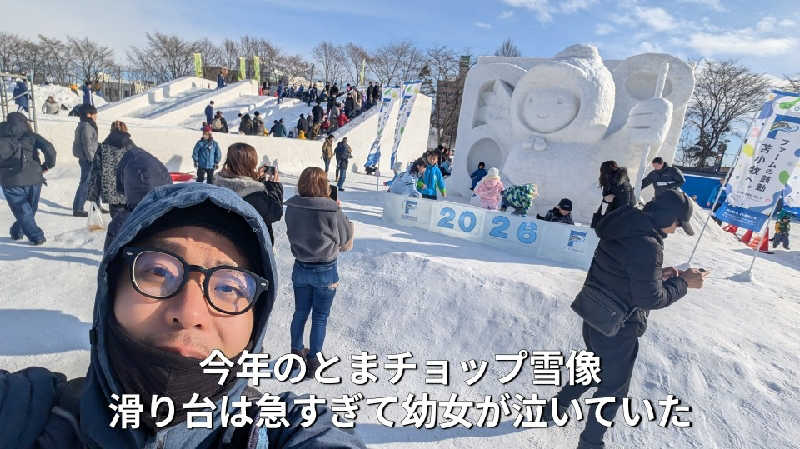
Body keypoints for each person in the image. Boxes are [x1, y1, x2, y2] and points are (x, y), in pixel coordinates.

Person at [0, 182, 367, 449]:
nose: (189, 313)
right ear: (110, 292)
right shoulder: (24, 412)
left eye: (229, 287)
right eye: (158, 272)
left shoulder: (283, 430)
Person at [544, 190, 707, 449]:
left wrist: (657, 275)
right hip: (617, 327)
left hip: (594, 313)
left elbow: (623, 270)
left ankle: (554, 408)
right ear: (668, 217)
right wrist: (683, 283)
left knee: (593, 367)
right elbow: (650, 299)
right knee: (612, 391)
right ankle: (590, 444)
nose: (676, 230)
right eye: (677, 223)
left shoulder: (627, 224)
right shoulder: (648, 243)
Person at [285, 167, 355, 377]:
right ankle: (314, 359)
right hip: (325, 269)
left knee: (300, 313)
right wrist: (339, 212)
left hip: (300, 266)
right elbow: (344, 239)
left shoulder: (292, 207)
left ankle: (296, 354)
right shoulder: (332, 209)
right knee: (320, 317)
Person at [0, 112, 56, 245]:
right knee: (29, 210)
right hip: (34, 177)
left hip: (10, 179)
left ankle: (17, 231)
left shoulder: (1, 134)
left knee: (23, 210)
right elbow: (49, 148)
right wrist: (47, 165)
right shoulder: (31, 135)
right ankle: (36, 236)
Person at [214, 143, 284, 246]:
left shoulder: (218, 184)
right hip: (250, 249)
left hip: (225, 242)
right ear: (251, 164)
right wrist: (275, 187)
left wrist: (256, 180)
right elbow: (274, 213)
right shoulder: (255, 195)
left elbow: (240, 184)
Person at [87, 121, 134, 223]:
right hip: (127, 188)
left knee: (116, 221)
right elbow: (138, 164)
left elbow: (96, 172)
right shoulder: (129, 145)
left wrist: (94, 193)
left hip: (110, 191)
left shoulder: (103, 146)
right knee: (128, 221)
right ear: (125, 129)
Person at [72, 104, 99, 217]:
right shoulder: (86, 127)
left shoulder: (86, 125)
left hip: (87, 158)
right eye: (95, 114)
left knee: (88, 183)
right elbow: (87, 145)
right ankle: (78, 208)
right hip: (87, 159)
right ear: (89, 114)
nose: (96, 116)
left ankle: (94, 205)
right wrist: (92, 159)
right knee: (85, 183)